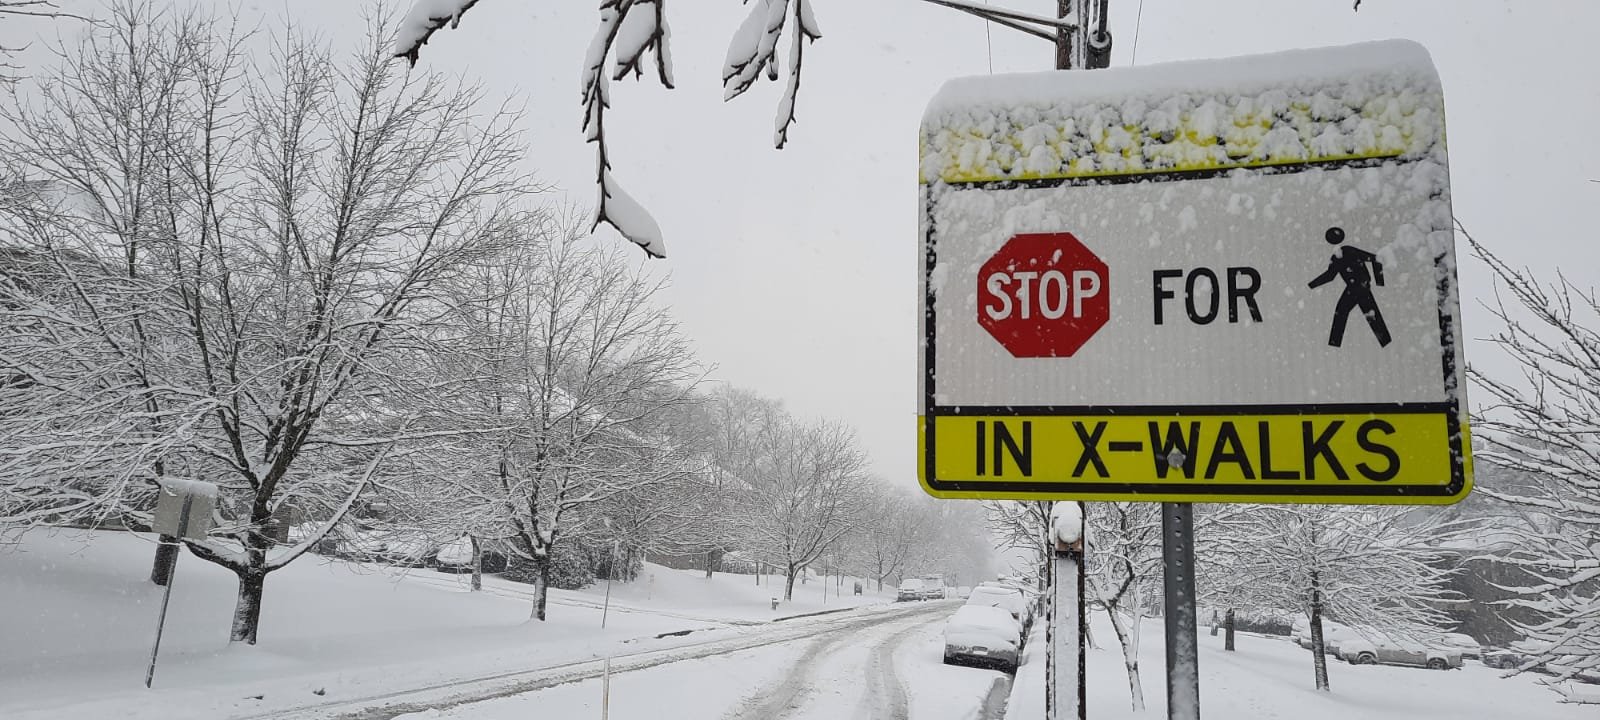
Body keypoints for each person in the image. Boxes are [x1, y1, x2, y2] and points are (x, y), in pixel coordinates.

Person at [1308, 226, 1391, 347]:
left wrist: (1380, 283)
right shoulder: (1344, 253)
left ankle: (1334, 344)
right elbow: (1375, 259)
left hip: (1357, 286)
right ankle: (1385, 341)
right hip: (1360, 286)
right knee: (1368, 312)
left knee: (1343, 311)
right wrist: (1377, 282)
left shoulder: (1342, 253)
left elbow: (1330, 276)